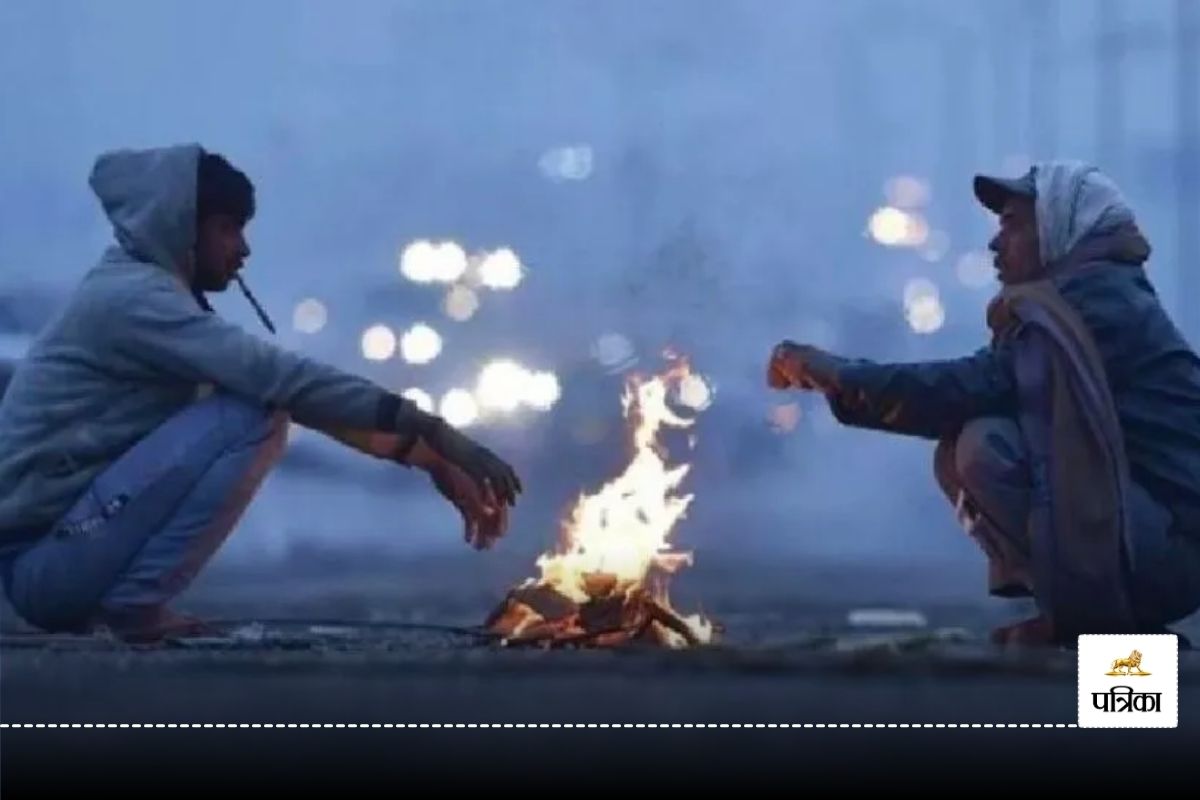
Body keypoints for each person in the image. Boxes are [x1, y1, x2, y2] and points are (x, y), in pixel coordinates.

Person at [0, 144, 522, 642]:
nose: (243, 249)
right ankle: (134, 606)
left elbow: (307, 402)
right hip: (45, 567)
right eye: (228, 229)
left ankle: (129, 603)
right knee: (255, 413)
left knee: (262, 405)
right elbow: (284, 382)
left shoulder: (148, 293)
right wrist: (434, 429)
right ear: (182, 228)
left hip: (61, 559)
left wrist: (428, 457)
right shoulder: (136, 300)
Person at [768, 161, 1200, 646]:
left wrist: (838, 375)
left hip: (1171, 548)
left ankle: (1109, 639)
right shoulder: (1075, 298)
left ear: (1061, 228)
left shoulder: (1095, 304)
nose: (996, 244)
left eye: (1012, 225)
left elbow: (969, 386)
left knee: (983, 444)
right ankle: (1089, 623)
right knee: (969, 442)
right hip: (1150, 532)